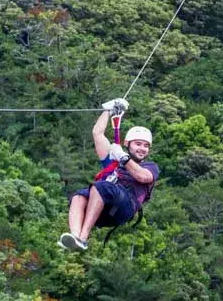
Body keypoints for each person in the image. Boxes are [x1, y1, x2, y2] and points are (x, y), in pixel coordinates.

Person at [60, 98, 159, 252]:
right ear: (128, 144)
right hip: (104, 209)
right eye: (138, 144)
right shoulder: (114, 161)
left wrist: (123, 157)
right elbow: (97, 133)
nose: (142, 149)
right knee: (79, 196)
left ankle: (83, 238)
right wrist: (108, 110)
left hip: (124, 207)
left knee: (101, 186)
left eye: (146, 146)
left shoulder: (149, 167)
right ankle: (75, 237)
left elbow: (143, 177)